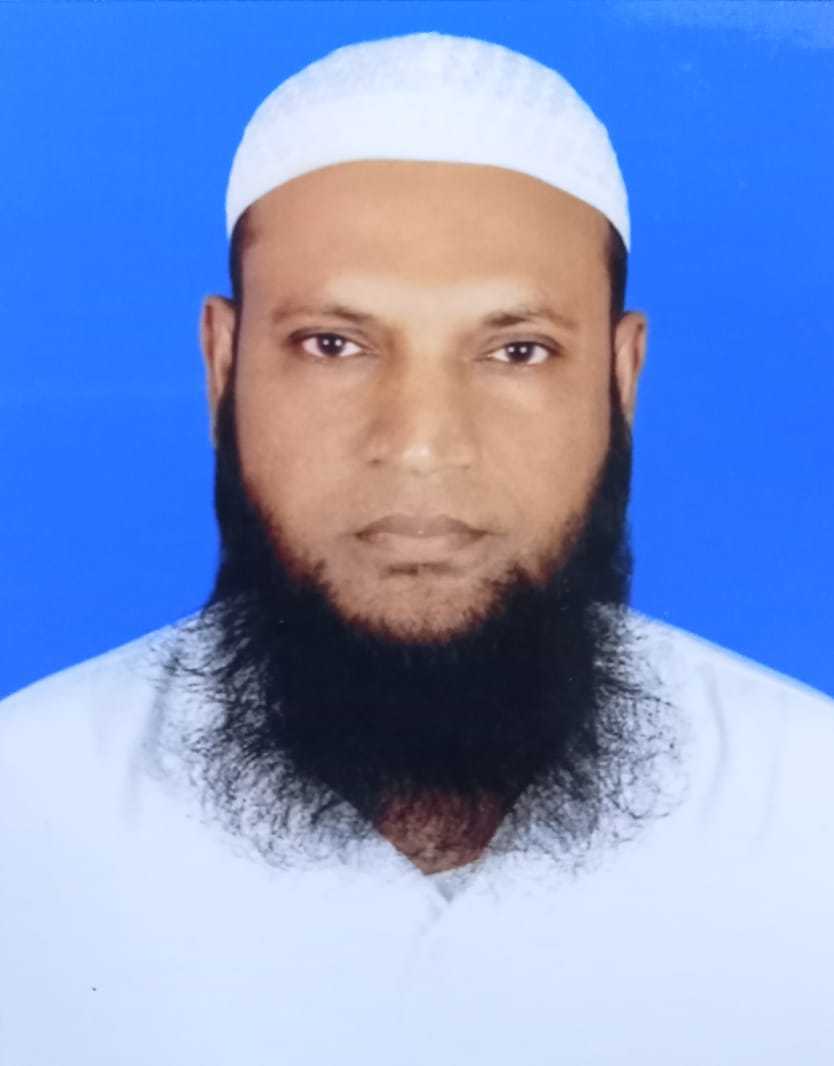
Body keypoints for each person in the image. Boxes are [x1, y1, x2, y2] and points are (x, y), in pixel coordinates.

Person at [1, 31, 832, 1066]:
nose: (422, 445)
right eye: (334, 344)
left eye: (517, 350)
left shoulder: (813, 804)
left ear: (622, 382)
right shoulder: (21, 804)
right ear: (223, 365)